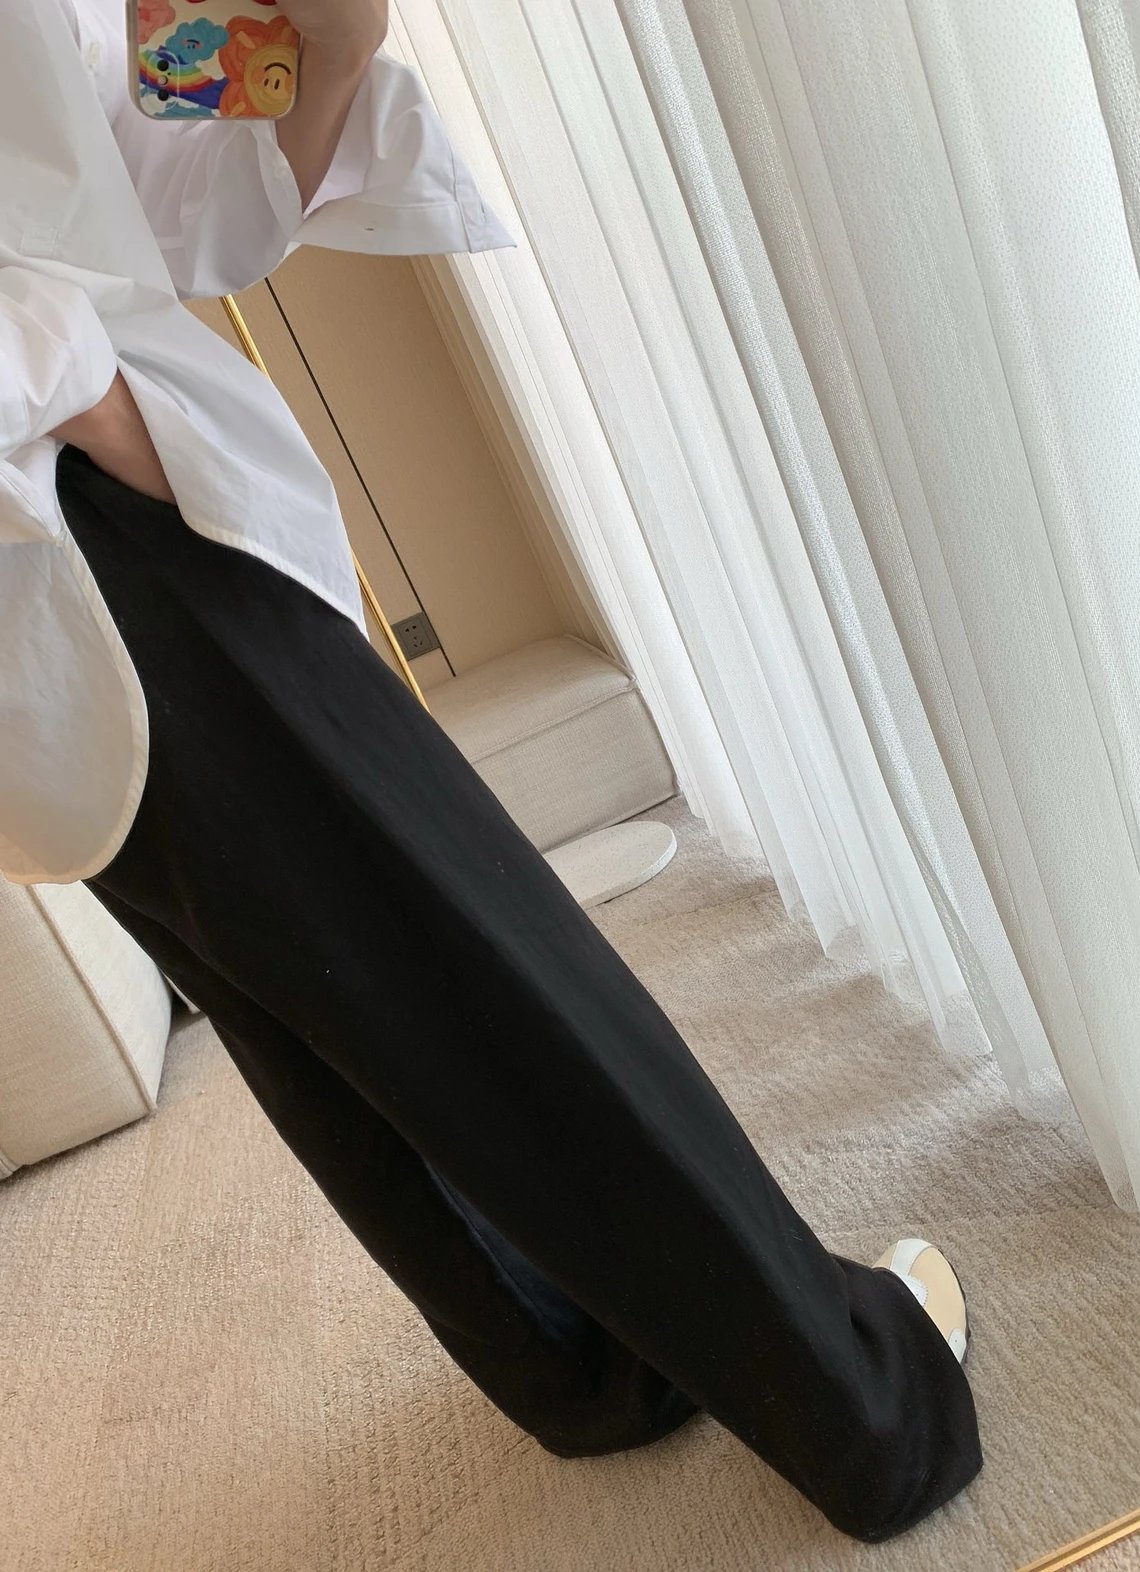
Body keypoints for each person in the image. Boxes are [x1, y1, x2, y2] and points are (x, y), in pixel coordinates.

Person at [0, 0, 981, 1543]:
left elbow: (129, 178)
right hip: (80, 528)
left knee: (318, 1004)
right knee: (473, 962)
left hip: (76, 549)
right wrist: (92, 395)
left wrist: (321, 54)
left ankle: (579, 1359)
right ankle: (858, 1404)